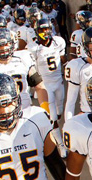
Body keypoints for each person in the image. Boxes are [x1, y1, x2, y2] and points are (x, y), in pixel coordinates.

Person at [0, 28, 51, 124]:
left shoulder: (24, 58)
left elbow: (39, 86)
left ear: (12, 43)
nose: (3, 48)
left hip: (25, 112)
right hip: (0, 117)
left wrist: (46, 109)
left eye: (6, 44)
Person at [27, 17, 68, 155]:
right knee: (53, 118)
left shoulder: (58, 42)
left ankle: (55, 126)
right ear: (37, 31)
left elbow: (63, 59)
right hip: (45, 85)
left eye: (47, 29)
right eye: (42, 29)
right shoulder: (33, 48)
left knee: (59, 111)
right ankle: (60, 144)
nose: (45, 32)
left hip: (58, 81)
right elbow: (30, 68)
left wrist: (68, 68)